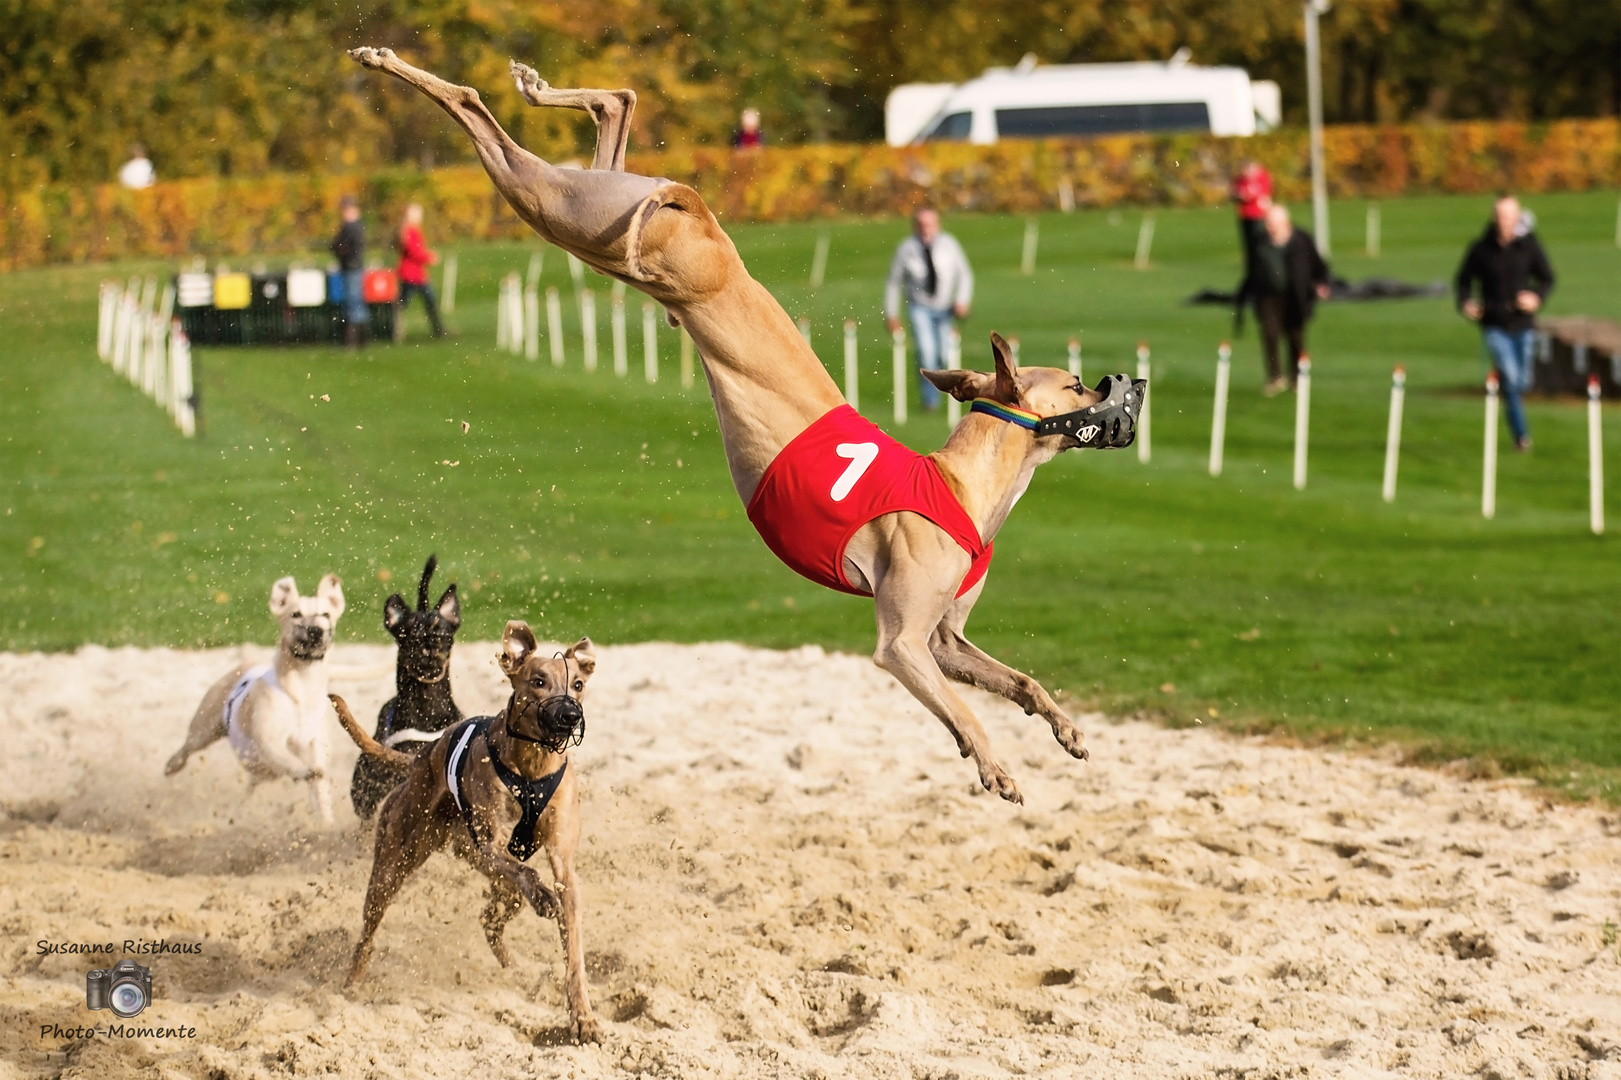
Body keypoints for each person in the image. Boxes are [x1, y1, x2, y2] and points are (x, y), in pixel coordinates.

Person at [1455, 194, 1555, 451]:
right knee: (1511, 379)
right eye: (1500, 216)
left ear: (1517, 217)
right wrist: (1466, 304)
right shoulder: (1481, 249)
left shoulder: (1528, 245)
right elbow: (1463, 281)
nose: (1504, 221)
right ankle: (1521, 437)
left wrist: (1535, 297)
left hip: (1523, 323)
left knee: (1523, 382)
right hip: (1494, 323)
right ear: (1493, 217)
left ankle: (1507, 391)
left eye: (1510, 216)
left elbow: (1547, 278)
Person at [884, 207, 974, 412]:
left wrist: (962, 300)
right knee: (926, 353)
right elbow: (893, 282)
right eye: (922, 225)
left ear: (937, 225)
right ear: (915, 226)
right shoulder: (906, 249)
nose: (926, 229)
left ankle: (949, 393)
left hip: (945, 308)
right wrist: (891, 313)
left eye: (930, 225)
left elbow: (964, 274)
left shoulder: (949, 245)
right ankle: (929, 401)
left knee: (944, 354)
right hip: (919, 308)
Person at [1235, 204, 1331, 395]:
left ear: (1284, 223)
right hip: (1267, 297)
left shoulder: (1301, 239)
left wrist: (1321, 283)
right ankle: (1274, 377)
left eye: (1272, 223)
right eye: (1267, 223)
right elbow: (1251, 270)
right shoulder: (1259, 242)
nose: (1268, 227)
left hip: (1295, 297)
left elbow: (1318, 265)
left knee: (1295, 338)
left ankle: (1296, 378)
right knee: (1269, 333)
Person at [395, 203, 445, 338]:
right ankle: (439, 330)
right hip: (412, 275)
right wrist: (430, 258)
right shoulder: (409, 231)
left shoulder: (410, 230)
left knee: (403, 304)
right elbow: (415, 252)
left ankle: (439, 330)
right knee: (427, 302)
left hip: (412, 274)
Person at [330, 196, 369, 347]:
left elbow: (343, 246)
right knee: (355, 302)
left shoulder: (352, 227)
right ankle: (360, 339)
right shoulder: (354, 226)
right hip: (352, 267)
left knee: (354, 302)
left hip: (351, 268)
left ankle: (355, 340)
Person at [1230, 160, 1272, 276]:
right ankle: (1251, 269)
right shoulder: (1241, 179)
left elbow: (1257, 194)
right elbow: (1235, 192)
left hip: (1258, 216)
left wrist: (1245, 194)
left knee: (1259, 243)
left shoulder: (1262, 177)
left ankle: (1261, 267)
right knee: (1248, 244)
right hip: (1245, 215)